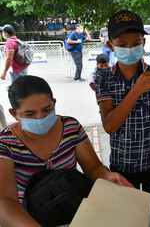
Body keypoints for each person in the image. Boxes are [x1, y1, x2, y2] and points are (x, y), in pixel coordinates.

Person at [0, 75, 132, 226]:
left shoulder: (70, 127)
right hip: (28, 219)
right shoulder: (6, 144)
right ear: (13, 114)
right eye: (29, 114)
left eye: (47, 110)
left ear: (54, 103)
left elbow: (93, 167)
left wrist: (105, 176)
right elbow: (5, 201)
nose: (40, 118)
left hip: (73, 209)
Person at [95, 10, 150, 207]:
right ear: (110, 46)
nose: (130, 49)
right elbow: (110, 126)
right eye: (122, 45)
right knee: (127, 216)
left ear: (144, 43)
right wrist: (136, 90)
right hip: (122, 168)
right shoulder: (103, 78)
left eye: (136, 43)